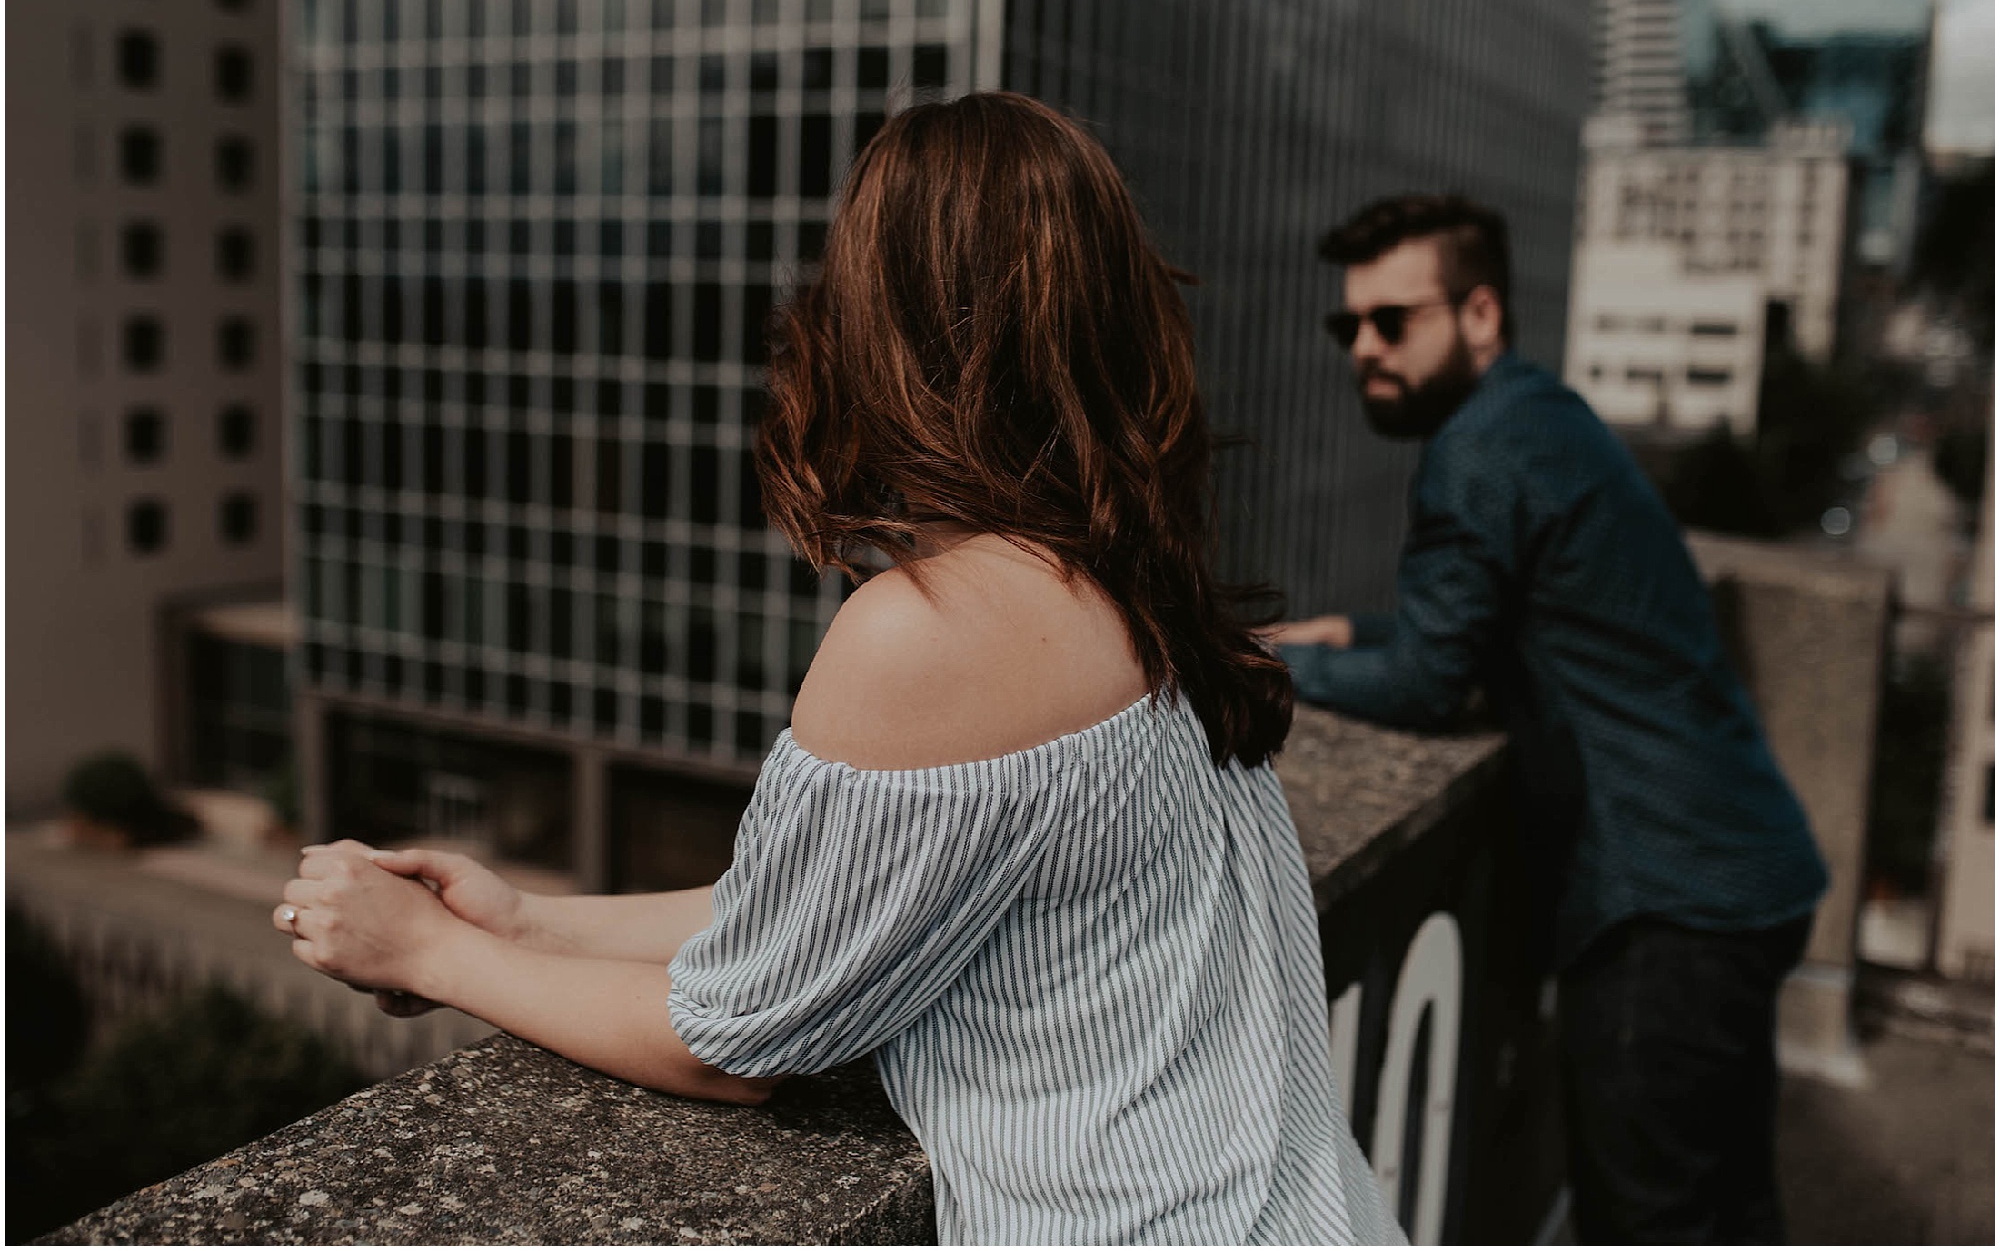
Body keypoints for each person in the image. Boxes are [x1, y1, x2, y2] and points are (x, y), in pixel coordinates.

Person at [273, 92, 1401, 1246]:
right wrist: (528, 921)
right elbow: (830, 909)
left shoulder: (933, 626)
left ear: (883, 324)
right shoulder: (1137, 583)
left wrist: (431, 953)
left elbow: (731, 1046)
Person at [1263, 193, 1829, 1244]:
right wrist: (1352, 628)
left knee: (1644, 1223)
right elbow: (1505, 626)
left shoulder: (1473, 451)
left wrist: (1265, 673)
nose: (1365, 350)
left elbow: (1430, 683)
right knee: (1729, 1215)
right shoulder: (1537, 416)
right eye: (1350, 327)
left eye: (1395, 321)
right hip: (1737, 867)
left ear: (1479, 315)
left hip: (1661, 901)